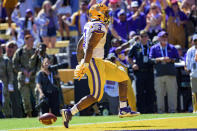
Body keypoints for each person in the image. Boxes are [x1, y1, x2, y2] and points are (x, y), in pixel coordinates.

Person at [61, 4, 140, 128]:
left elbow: (80, 46)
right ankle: (70, 112)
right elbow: (90, 46)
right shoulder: (99, 26)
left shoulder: (89, 25)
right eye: (105, 13)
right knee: (96, 95)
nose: (107, 15)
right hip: (94, 62)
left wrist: (80, 62)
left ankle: (123, 109)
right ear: (98, 14)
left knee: (123, 77)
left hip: (98, 61)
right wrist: (85, 64)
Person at [149, 31, 179, 113]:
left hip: (170, 73)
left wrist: (171, 59)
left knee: (172, 93)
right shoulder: (154, 48)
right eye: (162, 37)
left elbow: (178, 58)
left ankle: (173, 110)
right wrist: (160, 59)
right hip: (159, 74)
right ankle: (160, 111)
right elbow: (150, 60)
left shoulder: (172, 47)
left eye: (166, 36)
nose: (164, 38)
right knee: (159, 94)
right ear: (158, 38)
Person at [128, 30, 156, 113]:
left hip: (149, 71)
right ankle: (140, 110)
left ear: (148, 37)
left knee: (150, 91)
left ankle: (150, 110)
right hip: (139, 72)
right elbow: (129, 57)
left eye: (145, 36)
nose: (144, 38)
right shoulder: (135, 46)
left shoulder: (152, 46)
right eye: (142, 36)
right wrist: (133, 64)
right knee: (139, 92)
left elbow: (156, 55)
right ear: (139, 37)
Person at [12, 34, 36, 117]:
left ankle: (40, 112)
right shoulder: (20, 52)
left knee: (38, 96)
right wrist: (22, 70)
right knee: (25, 98)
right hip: (23, 79)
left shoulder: (35, 51)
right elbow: (14, 64)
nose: (32, 42)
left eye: (33, 40)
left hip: (34, 78)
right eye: (30, 40)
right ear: (26, 41)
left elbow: (40, 64)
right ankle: (28, 114)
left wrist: (33, 71)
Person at [4, 41, 23, 118]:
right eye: (9, 47)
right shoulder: (2, 58)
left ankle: (18, 118)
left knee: (16, 102)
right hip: (4, 83)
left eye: (13, 47)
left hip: (15, 83)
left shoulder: (18, 58)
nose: (10, 49)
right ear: (5, 48)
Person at [0, 44, 13, 118]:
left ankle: (8, 117)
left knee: (6, 102)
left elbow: (10, 73)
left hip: (4, 84)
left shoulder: (6, 60)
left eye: (0, 49)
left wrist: (10, 84)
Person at [185, 34, 197, 113]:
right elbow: (187, 64)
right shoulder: (190, 50)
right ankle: (195, 109)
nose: (196, 42)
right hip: (194, 74)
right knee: (194, 93)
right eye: (195, 40)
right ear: (192, 41)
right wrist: (189, 71)